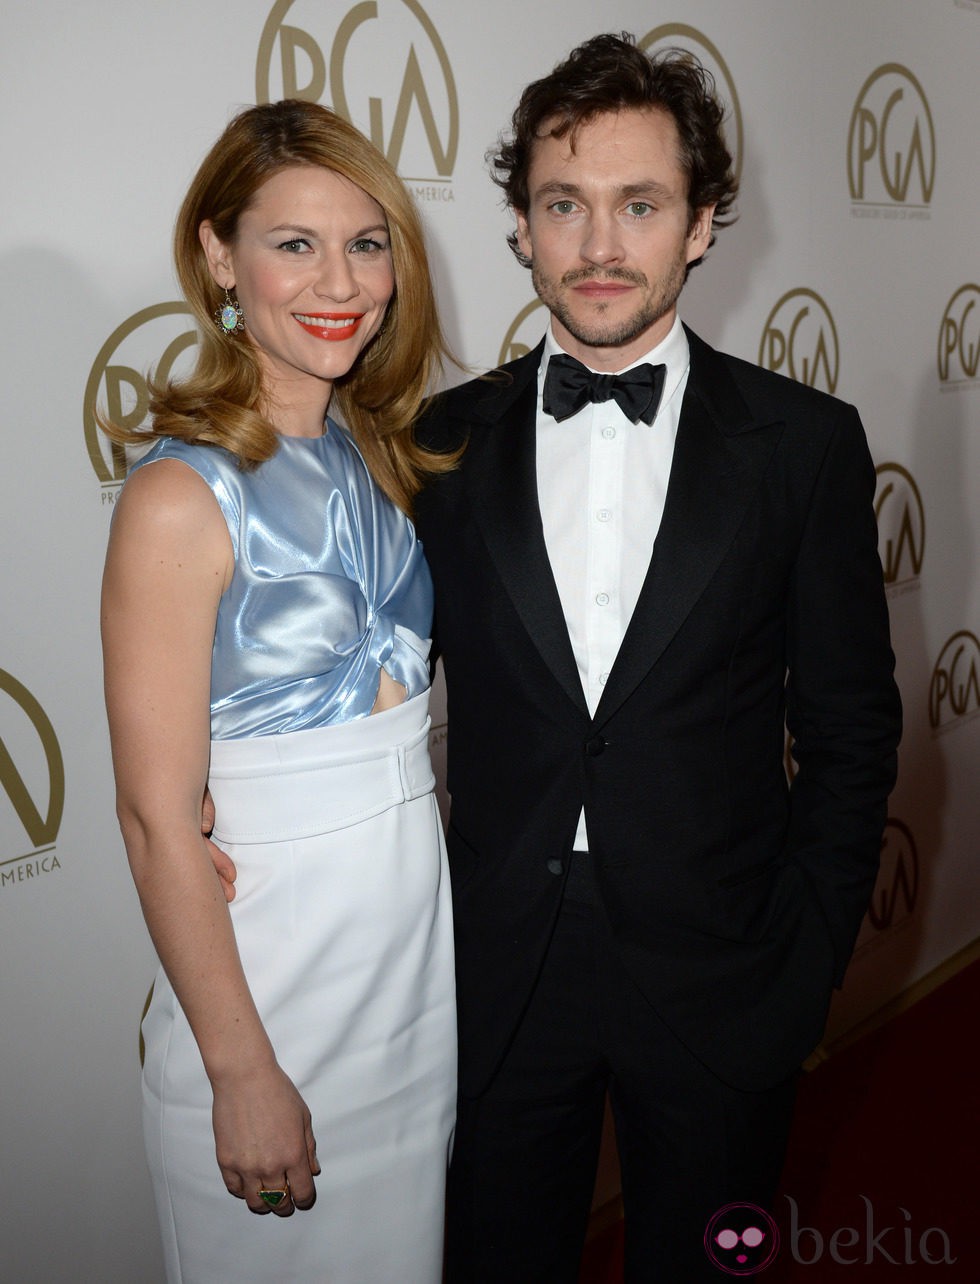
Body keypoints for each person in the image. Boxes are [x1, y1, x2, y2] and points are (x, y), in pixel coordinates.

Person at [411, 33, 902, 1282]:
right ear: (518, 227)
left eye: (639, 205)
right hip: (500, 967)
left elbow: (852, 730)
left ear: (699, 224)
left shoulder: (802, 446)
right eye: (562, 206)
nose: (598, 245)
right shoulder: (440, 446)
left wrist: (801, 965)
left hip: (724, 969)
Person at [101, 100, 456, 1283]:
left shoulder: (380, 457)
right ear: (217, 255)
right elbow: (158, 819)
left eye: (365, 242)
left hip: (408, 979)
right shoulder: (178, 499)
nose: (337, 279)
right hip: (272, 992)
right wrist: (241, 1070)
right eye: (292, 243)